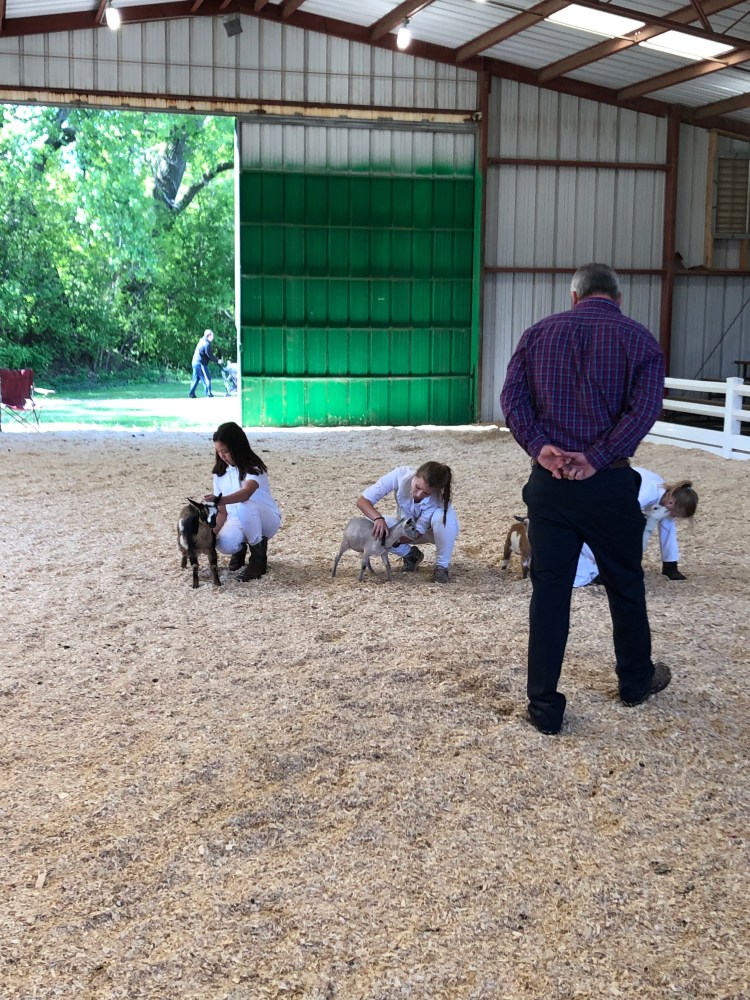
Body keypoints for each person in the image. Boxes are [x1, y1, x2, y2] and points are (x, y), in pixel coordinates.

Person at [500, 262, 669, 735]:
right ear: (618, 297)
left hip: (550, 484)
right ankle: (634, 682)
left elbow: (512, 400)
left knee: (550, 591)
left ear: (574, 296)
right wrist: (597, 457)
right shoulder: (640, 340)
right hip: (609, 483)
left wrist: (540, 447)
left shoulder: (538, 334)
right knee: (625, 584)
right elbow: (645, 410)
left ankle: (544, 707)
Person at [574, 470, 698, 587]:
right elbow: (622, 520)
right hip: (595, 501)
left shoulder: (667, 496)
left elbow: (667, 528)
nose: (674, 517)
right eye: (675, 514)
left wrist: (670, 565)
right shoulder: (647, 493)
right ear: (671, 503)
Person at [356, 462, 458, 584]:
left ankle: (442, 567)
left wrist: (393, 539)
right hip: (406, 527)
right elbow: (363, 501)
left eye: (426, 493)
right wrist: (378, 519)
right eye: (417, 487)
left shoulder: (437, 498)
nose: (418, 494)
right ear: (415, 475)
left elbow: (418, 531)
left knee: (443, 517)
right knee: (372, 526)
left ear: (434, 491)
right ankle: (410, 555)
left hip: (436, 532)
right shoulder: (400, 474)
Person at [204, 422, 282, 582]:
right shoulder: (219, 474)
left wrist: (220, 499)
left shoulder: (254, 468)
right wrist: (208, 536)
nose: (222, 456)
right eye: (218, 451)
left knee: (245, 505)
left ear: (237, 447)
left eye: (225, 451)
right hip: (236, 518)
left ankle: (258, 561)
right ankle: (239, 550)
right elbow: (222, 512)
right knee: (224, 544)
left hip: (265, 520)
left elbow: (246, 493)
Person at [188, 329, 218, 398]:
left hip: (195, 362)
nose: (213, 337)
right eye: (212, 335)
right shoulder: (206, 344)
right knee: (206, 378)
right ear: (209, 336)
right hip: (200, 363)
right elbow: (209, 356)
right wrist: (217, 360)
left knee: (195, 379)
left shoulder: (202, 341)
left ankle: (191, 394)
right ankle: (208, 393)